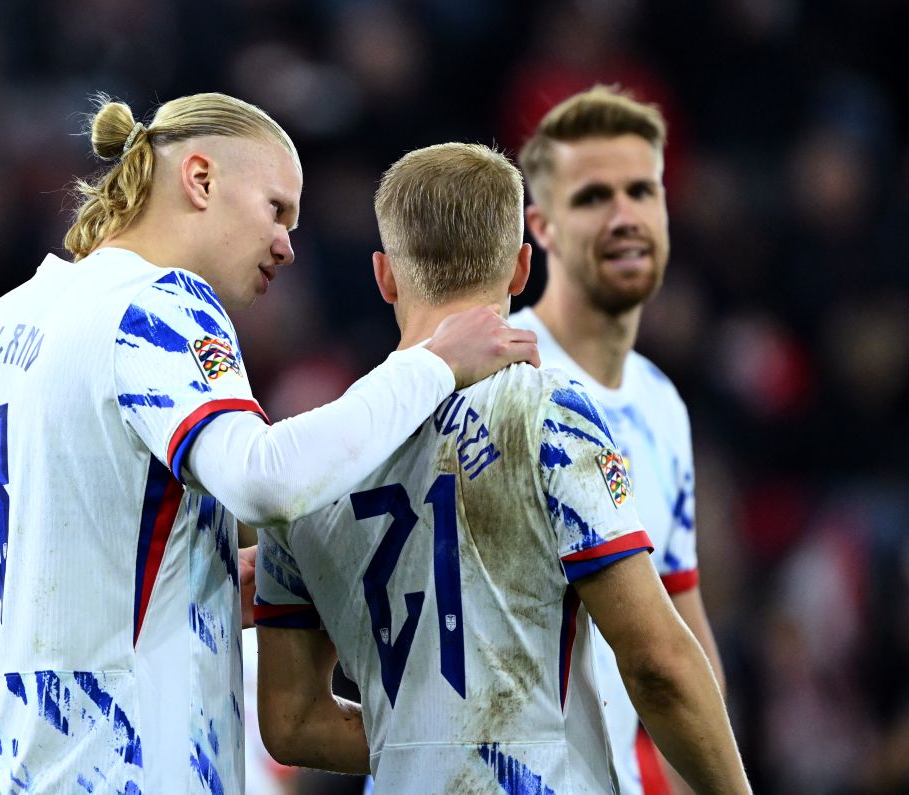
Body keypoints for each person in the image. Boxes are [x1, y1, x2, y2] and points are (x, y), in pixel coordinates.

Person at [0, 92, 539, 794]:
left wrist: (195, 585)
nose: (288, 243)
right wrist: (430, 362)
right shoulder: (158, 305)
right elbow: (265, 479)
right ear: (201, 179)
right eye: (277, 209)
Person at [253, 142, 750, 794]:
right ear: (521, 269)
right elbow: (657, 661)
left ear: (385, 276)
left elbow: (290, 721)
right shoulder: (545, 413)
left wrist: (428, 747)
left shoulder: (310, 456)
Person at [510, 84, 724, 795]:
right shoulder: (501, 376)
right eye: (594, 196)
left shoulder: (662, 404)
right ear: (540, 226)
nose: (626, 215)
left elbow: (684, 645)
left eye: (642, 190)